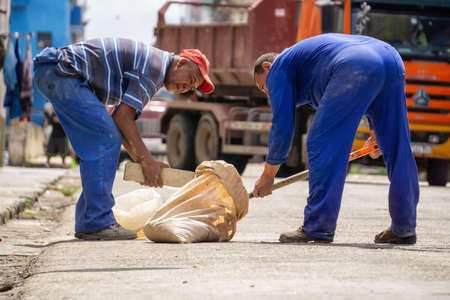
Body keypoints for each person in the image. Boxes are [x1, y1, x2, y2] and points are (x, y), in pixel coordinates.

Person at [33, 38, 214, 240]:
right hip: (62, 71)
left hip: (55, 70)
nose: (187, 87)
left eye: (192, 87)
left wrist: (144, 162)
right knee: (104, 138)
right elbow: (123, 118)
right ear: (181, 62)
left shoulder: (155, 67)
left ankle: (89, 221)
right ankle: (97, 222)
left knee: (106, 136)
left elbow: (120, 122)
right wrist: (147, 161)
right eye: (191, 78)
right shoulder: (155, 67)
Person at [252, 33, 419, 244]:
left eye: (263, 87)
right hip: (390, 57)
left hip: (356, 63)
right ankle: (404, 228)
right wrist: (377, 131)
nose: (268, 94)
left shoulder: (278, 68)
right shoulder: (310, 67)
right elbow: (367, 90)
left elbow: (282, 127)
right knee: (396, 146)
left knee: (322, 142)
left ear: (267, 67)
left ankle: (317, 227)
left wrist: (268, 176)